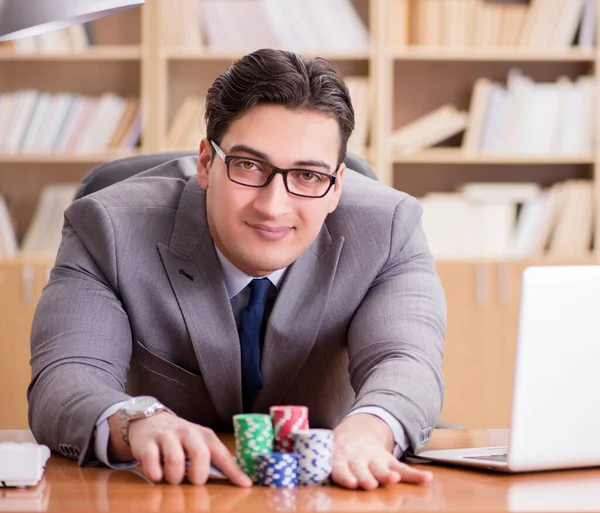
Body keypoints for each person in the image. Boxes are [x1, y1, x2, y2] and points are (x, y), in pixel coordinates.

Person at [28, 48, 446, 490]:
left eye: (307, 176)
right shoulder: (107, 229)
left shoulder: (389, 228)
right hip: (167, 496)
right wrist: (138, 420)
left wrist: (369, 430)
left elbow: (407, 361)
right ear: (207, 163)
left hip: (328, 493)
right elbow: (66, 377)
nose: (272, 206)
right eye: (248, 165)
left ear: (337, 186)